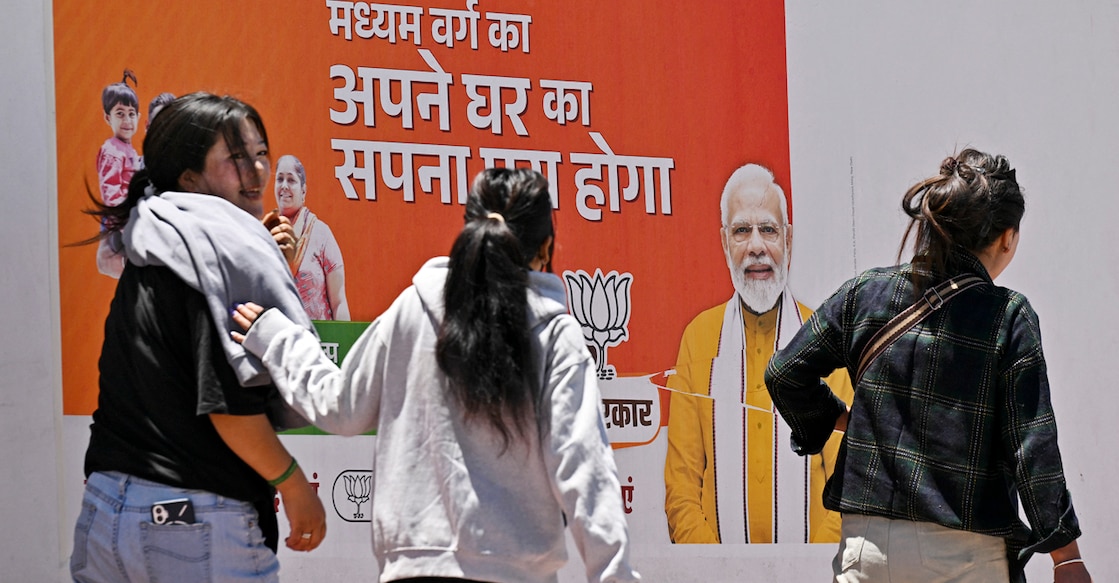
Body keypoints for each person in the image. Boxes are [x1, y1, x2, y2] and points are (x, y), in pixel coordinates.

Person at [232, 168, 641, 583]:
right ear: (546, 247)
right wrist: (615, 574)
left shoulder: (415, 307)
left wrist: (275, 335)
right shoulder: (554, 334)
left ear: (467, 231)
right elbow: (584, 468)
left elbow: (341, 406)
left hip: (412, 569)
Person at [765, 149, 1090, 583]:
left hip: (866, 550)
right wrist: (1065, 555)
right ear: (1007, 237)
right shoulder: (1008, 316)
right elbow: (1031, 450)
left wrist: (833, 418)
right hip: (966, 556)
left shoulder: (865, 293)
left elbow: (784, 373)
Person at [71, 92, 326, 583]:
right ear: (189, 178)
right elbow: (228, 408)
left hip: (106, 515)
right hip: (192, 521)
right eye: (235, 158)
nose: (256, 171)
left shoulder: (156, 242)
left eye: (259, 154)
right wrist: (295, 486)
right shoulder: (217, 260)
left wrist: (269, 271)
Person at [663, 163, 853, 544]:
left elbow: (847, 483)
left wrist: (807, 572)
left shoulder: (824, 338)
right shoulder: (699, 339)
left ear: (789, 239)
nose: (755, 247)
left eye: (768, 229)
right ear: (723, 242)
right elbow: (682, 489)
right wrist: (720, 573)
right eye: (741, 231)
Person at [272, 154, 350, 320]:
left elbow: (339, 302)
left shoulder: (320, 234)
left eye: (291, 180)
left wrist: (345, 343)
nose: (284, 186)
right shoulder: (265, 234)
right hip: (279, 338)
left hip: (319, 341)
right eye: (280, 179)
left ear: (303, 190)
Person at [94, 70, 142, 278]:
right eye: (120, 114)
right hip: (119, 221)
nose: (127, 120)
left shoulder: (129, 150)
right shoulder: (112, 151)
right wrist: (125, 222)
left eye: (131, 114)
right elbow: (111, 191)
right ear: (107, 117)